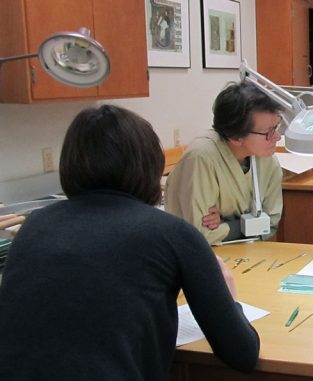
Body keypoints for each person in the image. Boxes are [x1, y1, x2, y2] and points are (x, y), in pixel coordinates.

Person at [0, 105, 260, 380]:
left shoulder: (33, 226)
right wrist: (231, 301)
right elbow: (242, 354)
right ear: (149, 165)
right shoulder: (172, 233)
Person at [165, 81, 283, 245]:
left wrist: (227, 223)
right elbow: (199, 235)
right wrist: (249, 225)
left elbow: (271, 223)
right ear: (235, 137)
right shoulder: (201, 158)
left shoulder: (267, 160)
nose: (277, 137)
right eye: (269, 132)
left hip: (247, 254)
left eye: (276, 127)